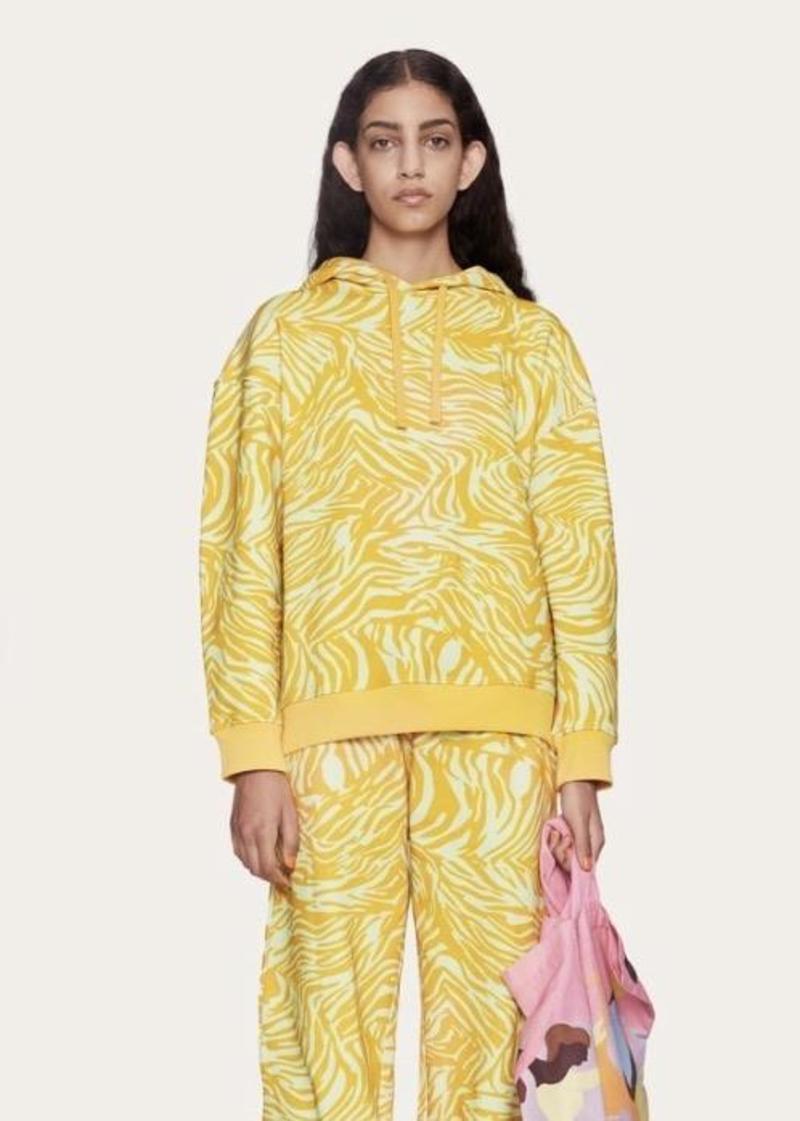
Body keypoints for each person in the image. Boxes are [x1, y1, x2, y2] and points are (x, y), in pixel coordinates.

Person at [198, 47, 619, 1121]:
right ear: (349, 164)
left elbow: (579, 550)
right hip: (324, 734)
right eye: (384, 143)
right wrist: (252, 751)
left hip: (501, 735)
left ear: (470, 161)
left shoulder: (529, 343)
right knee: (323, 1035)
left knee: (493, 1033)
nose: (411, 165)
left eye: (434, 141)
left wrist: (582, 754)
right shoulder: (284, 338)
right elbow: (240, 546)